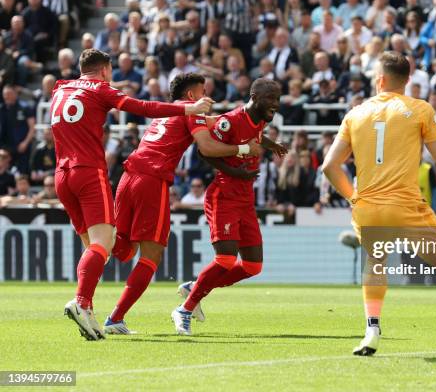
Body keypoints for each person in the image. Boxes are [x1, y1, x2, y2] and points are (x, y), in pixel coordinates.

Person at [321, 51, 436, 359]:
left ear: (379, 79)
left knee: (375, 264)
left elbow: (329, 166)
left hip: (368, 209)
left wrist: (353, 197)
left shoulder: (355, 113)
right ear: (406, 80)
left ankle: (371, 330)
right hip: (405, 207)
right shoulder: (419, 109)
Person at [53, 49, 215, 341]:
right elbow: (141, 107)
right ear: (104, 70)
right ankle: (88, 306)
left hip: (65, 175)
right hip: (98, 172)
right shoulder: (101, 89)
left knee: (102, 246)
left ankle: (88, 309)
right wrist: (189, 110)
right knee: (113, 246)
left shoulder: (61, 89)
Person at [104, 73, 261, 334]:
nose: (206, 97)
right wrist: (245, 150)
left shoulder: (165, 113)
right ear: (191, 96)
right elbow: (207, 147)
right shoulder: (192, 112)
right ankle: (115, 319)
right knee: (151, 257)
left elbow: (219, 122)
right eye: (203, 91)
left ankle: (97, 250)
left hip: (127, 177)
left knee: (124, 250)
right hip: (152, 180)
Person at [172, 78, 288, 336]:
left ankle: (197, 286)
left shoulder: (259, 119)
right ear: (255, 97)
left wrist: (272, 145)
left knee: (252, 266)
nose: (275, 105)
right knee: (225, 259)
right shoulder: (230, 120)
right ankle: (184, 309)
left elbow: (256, 136)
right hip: (223, 195)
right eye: (271, 99)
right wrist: (236, 170)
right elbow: (205, 152)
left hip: (245, 200)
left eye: (278, 99)